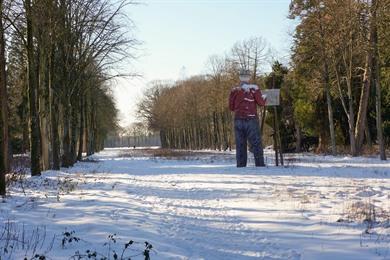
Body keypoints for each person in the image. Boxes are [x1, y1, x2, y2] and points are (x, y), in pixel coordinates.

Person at [229, 69, 267, 167]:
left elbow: (231, 107)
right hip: (251, 119)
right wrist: (265, 97)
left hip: (238, 119)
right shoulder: (254, 89)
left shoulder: (234, 91)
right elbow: (261, 103)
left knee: (240, 144)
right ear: (249, 78)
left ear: (239, 77)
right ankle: (259, 164)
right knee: (256, 143)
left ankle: (241, 165)